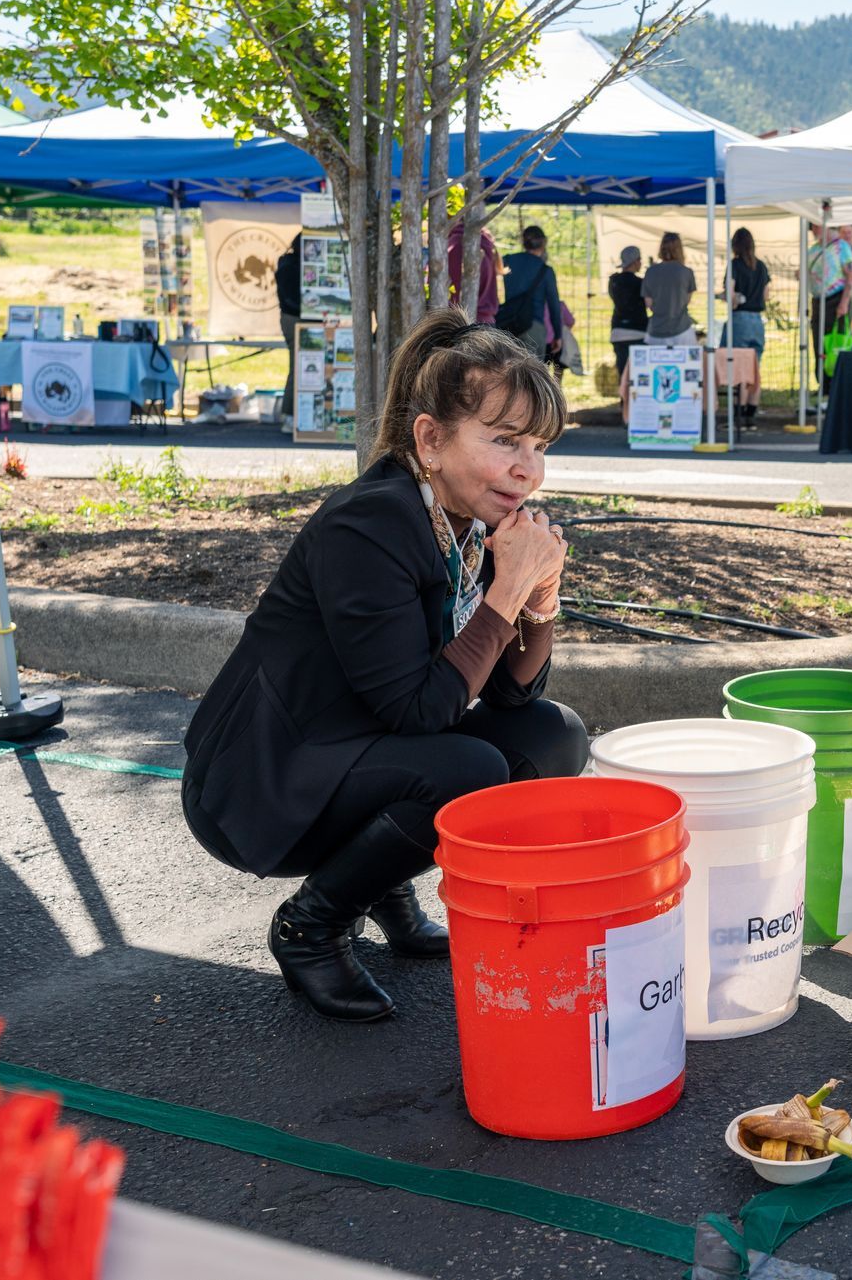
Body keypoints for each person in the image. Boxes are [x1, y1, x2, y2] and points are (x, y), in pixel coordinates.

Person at [181, 309, 586, 1023]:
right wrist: (504, 593)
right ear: (430, 439)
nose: (529, 467)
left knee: (554, 737)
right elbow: (421, 710)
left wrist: (539, 602)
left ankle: (381, 882)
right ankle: (311, 925)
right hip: (264, 780)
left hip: (356, 748)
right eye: (505, 441)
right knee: (469, 770)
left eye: (538, 445)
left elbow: (511, 698)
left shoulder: (466, 522)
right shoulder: (368, 524)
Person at [721, 227, 771, 423]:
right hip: (757, 321)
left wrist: (730, 299)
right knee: (754, 368)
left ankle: (738, 414)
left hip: (739, 319)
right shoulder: (761, 266)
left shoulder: (734, 265)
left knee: (739, 369)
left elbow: (730, 293)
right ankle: (751, 413)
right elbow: (766, 295)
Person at [496, 224, 564, 362]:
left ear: (523, 242)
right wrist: (558, 335)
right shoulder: (546, 271)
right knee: (532, 377)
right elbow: (554, 306)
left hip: (508, 325)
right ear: (544, 243)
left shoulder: (508, 260)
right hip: (534, 327)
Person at [806, 221, 852, 388]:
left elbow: (850, 275)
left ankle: (838, 384)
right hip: (818, 301)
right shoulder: (813, 250)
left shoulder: (841, 247)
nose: (813, 230)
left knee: (836, 342)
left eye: (815, 226)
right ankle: (823, 385)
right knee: (819, 343)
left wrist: (844, 302)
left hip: (836, 299)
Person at [609, 245, 649, 421]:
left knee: (622, 374)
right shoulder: (641, 283)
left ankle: (624, 410)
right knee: (637, 376)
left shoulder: (613, 281)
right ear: (636, 262)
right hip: (638, 332)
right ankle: (636, 413)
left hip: (618, 332)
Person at [642, 232, 697, 347]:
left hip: (656, 331)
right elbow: (686, 301)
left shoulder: (650, 272)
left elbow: (649, 303)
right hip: (682, 330)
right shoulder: (687, 272)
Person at [446, 220, 501, 325]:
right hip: (486, 322)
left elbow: (454, 291)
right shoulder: (485, 242)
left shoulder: (455, 244)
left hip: (459, 323)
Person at [274, 234, 302, 429]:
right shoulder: (290, 266)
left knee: (298, 367)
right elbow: (292, 298)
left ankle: (290, 414)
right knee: (297, 367)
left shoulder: (286, 263)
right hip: (295, 318)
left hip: (291, 317)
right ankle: (289, 414)